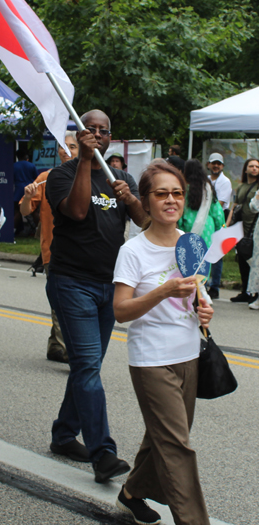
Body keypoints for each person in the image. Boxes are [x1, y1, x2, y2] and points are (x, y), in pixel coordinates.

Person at [45, 110, 145, 481]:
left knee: (88, 367)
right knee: (87, 365)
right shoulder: (62, 175)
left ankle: (63, 434)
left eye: (105, 131)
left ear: (110, 138)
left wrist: (131, 199)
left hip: (110, 284)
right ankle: (103, 453)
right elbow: (77, 210)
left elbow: (143, 222)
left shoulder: (120, 177)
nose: (98, 135)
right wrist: (85, 161)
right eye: (91, 129)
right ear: (80, 133)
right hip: (71, 283)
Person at [113, 160, 213, 525]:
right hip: (151, 359)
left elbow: (196, 296)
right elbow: (121, 311)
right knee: (176, 447)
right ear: (146, 200)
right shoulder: (133, 251)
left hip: (189, 355)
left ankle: (132, 491)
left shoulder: (192, 243)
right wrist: (164, 289)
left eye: (177, 193)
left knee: (163, 438)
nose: (171, 200)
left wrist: (205, 310)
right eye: (161, 194)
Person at [20, 131, 79, 364]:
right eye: (63, 147)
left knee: (68, 300)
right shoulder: (46, 178)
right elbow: (25, 211)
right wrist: (27, 198)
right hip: (53, 250)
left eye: (72, 146)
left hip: (81, 251)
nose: (67, 151)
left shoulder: (88, 177)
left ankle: (56, 345)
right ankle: (69, 350)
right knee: (61, 299)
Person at [227, 158, 259, 303]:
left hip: (255, 229)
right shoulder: (241, 187)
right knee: (242, 259)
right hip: (241, 228)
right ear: (245, 169)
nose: (254, 169)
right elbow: (235, 207)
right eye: (251, 166)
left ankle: (254, 291)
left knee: (254, 261)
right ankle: (245, 291)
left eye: (257, 166)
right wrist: (227, 225)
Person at [178, 159, 225, 249]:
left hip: (187, 226)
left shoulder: (182, 189)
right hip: (207, 228)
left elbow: (180, 211)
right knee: (205, 258)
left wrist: (180, 227)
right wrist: (220, 228)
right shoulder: (208, 189)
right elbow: (217, 214)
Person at [206, 153, 233, 299]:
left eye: (219, 164)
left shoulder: (225, 182)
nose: (216, 166)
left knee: (217, 254)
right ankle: (205, 283)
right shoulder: (207, 180)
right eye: (213, 163)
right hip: (207, 217)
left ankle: (215, 287)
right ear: (208, 165)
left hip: (219, 217)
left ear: (222, 166)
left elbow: (220, 204)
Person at [13, 150, 38, 235]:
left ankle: (13, 231)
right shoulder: (31, 165)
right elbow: (37, 179)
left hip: (18, 192)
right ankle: (37, 230)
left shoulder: (14, 166)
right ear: (26, 156)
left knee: (17, 212)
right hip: (31, 191)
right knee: (34, 211)